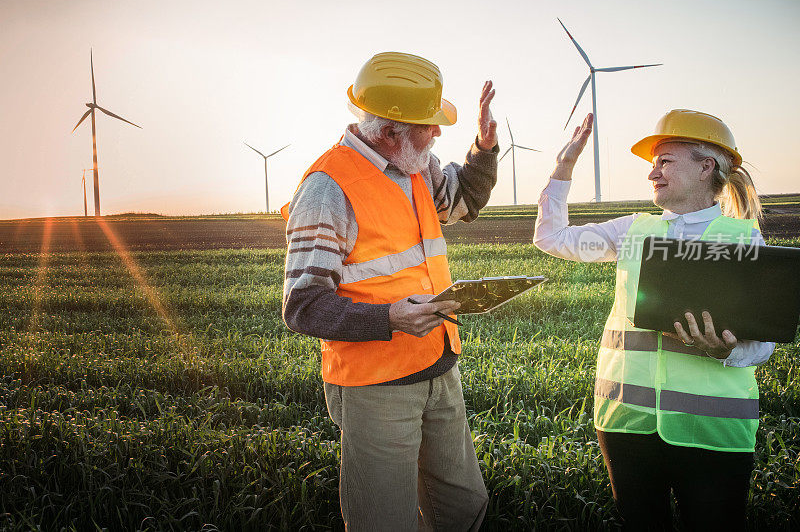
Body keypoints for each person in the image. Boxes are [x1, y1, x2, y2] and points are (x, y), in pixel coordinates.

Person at [281, 52, 499, 530]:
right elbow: (302, 306)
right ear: (389, 131)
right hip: (374, 386)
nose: (437, 132)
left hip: (440, 366)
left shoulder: (418, 164)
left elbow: (463, 201)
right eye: (428, 124)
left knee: (463, 507)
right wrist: (387, 319)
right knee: (385, 522)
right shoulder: (327, 188)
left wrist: (484, 148)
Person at [533, 109, 776, 530]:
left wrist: (727, 350)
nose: (652, 174)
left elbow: (764, 343)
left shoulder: (743, 239)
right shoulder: (632, 230)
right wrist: (563, 167)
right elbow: (551, 238)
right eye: (653, 163)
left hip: (714, 430)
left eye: (664, 161)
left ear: (706, 167)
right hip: (627, 423)